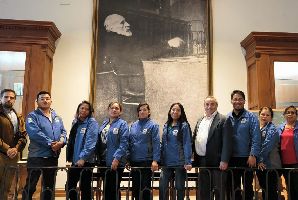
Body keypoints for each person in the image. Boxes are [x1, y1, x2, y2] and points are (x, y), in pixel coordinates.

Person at [22, 91, 67, 200]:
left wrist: (61, 142)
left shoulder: (57, 117)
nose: (45, 100)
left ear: (51, 101)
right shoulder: (32, 116)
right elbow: (34, 133)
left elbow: (63, 132)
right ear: (37, 101)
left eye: (47, 98)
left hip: (52, 157)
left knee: (49, 187)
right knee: (31, 186)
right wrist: (51, 143)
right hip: (37, 156)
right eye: (42, 99)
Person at [192, 96, 233, 200]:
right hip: (202, 161)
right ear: (204, 106)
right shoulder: (200, 120)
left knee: (219, 191)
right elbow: (195, 139)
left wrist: (224, 160)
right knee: (204, 192)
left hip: (217, 163)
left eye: (212, 104)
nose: (209, 106)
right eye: (207, 104)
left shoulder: (223, 119)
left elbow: (227, 142)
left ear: (216, 106)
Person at [226, 90, 261, 200]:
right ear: (231, 101)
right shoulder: (227, 117)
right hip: (231, 158)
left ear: (244, 101)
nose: (237, 101)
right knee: (234, 186)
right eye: (235, 99)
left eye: (240, 99)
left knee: (247, 187)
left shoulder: (251, 117)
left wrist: (253, 155)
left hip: (247, 158)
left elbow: (256, 137)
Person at [66, 101, 99, 200]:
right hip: (75, 160)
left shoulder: (92, 123)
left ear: (90, 111)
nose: (84, 110)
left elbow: (91, 142)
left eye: (87, 109)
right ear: (78, 109)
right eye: (82, 108)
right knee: (70, 186)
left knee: (85, 187)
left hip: (86, 160)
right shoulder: (75, 122)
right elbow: (72, 141)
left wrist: (83, 158)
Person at [127, 102, 160, 200]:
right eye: (140, 110)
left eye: (145, 109)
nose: (142, 112)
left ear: (149, 112)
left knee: (145, 189)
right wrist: (128, 159)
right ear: (137, 112)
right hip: (134, 161)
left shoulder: (153, 125)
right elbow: (130, 143)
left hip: (147, 161)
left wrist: (155, 160)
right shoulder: (133, 125)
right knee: (136, 189)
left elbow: (156, 143)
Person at [159, 103, 192, 200]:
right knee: (162, 187)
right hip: (166, 162)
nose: (175, 112)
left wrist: (188, 161)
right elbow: (163, 144)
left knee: (179, 187)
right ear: (170, 111)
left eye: (178, 110)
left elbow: (187, 144)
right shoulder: (166, 125)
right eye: (173, 109)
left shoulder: (184, 126)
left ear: (181, 113)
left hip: (180, 163)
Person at [96, 102, 129, 200]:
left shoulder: (123, 124)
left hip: (115, 162)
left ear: (120, 111)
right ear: (108, 110)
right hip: (103, 161)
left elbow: (124, 143)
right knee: (106, 189)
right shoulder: (104, 123)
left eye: (117, 108)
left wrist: (116, 158)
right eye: (112, 108)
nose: (114, 110)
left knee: (113, 189)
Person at [0, 89, 27, 199]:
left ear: (15, 100)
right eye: (6, 97)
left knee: (7, 186)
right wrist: (7, 149)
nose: (9, 99)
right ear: (1, 99)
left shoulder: (18, 116)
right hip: (1, 153)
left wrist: (16, 149)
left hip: (12, 155)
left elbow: (23, 135)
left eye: (11, 98)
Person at [256, 106, 281, 200]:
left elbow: (266, 146)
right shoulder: (257, 128)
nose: (264, 116)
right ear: (259, 115)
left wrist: (260, 160)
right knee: (264, 190)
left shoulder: (272, 129)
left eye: (267, 115)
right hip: (260, 165)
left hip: (271, 165)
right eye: (262, 114)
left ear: (271, 117)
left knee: (271, 192)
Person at [276, 105, 298, 200]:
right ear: (284, 115)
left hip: (296, 163)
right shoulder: (280, 128)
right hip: (284, 163)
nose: (290, 114)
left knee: (297, 188)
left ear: (296, 115)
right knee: (289, 188)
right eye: (288, 112)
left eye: (293, 112)